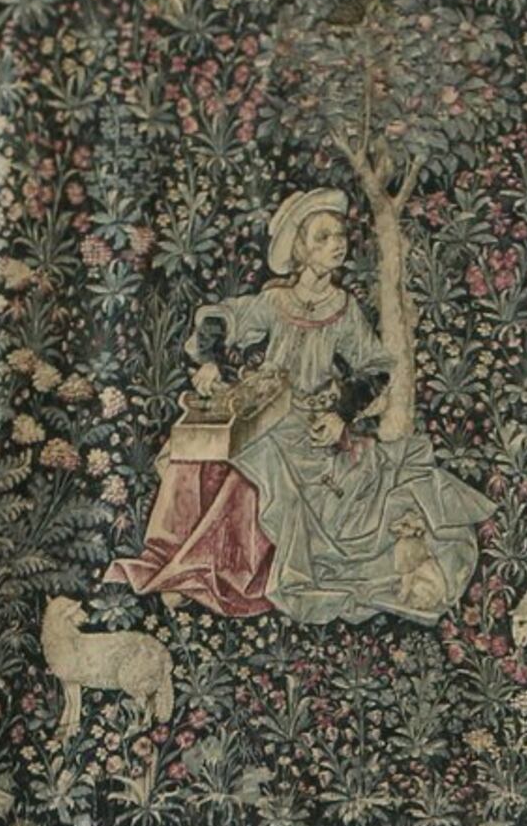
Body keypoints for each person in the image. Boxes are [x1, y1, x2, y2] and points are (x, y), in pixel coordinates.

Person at [110, 186, 491, 623]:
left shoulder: (344, 308)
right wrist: (211, 361)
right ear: (300, 249)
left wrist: (341, 414)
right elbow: (223, 318)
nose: (337, 245)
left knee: (273, 470)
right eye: (323, 238)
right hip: (269, 411)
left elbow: (376, 366)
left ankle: (236, 577)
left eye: (340, 237)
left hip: (313, 426)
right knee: (213, 455)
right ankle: (189, 569)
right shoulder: (276, 301)